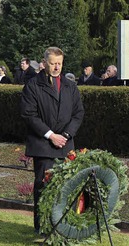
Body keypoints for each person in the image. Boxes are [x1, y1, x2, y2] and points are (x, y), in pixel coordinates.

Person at [20, 46, 84, 235]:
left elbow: (78, 113)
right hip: (43, 146)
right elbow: (28, 114)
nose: (57, 67)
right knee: (43, 187)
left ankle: (65, 228)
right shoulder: (32, 85)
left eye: (60, 63)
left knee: (67, 188)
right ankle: (43, 228)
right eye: (53, 63)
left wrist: (65, 135)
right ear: (44, 63)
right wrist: (50, 135)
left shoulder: (70, 86)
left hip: (66, 145)